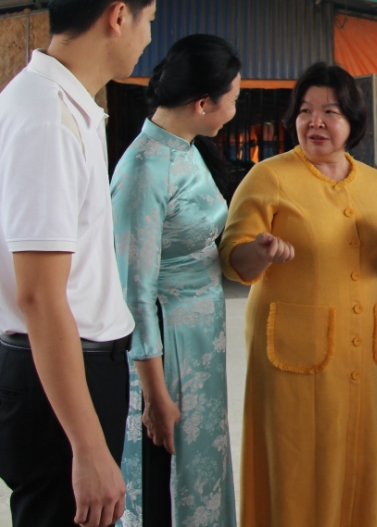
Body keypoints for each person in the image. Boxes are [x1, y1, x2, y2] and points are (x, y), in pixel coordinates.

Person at [0, 0, 172, 527]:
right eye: (148, 19)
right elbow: (38, 295)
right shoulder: (46, 120)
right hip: (57, 378)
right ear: (117, 17)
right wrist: (87, 446)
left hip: (68, 371)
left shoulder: (62, 105)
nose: (148, 37)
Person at [219, 62, 377, 527]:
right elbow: (233, 257)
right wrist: (260, 251)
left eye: (330, 111)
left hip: (358, 356)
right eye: (306, 111)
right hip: (290, 358)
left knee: (353, 463)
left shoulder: (376, 184)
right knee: (296, 466)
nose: (316, 122)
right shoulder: (269, 177)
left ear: (353, 121)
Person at [110, 34, 242, 527]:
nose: (236, 105)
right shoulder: (146, 168)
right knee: (168, 474)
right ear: (205, 102)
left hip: (200, 338)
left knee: (201, 464)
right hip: (167, 346)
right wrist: (154, 395)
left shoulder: (186, 150)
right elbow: (133, 290)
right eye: (233, 96)